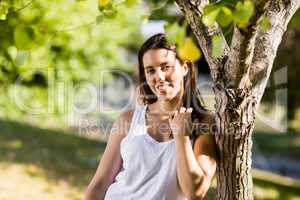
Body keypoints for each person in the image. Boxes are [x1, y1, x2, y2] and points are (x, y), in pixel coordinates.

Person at [84, 33, 217, 200]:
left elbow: (195, 192)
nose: (159, 77)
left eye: (166, 67)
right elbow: (99, 185)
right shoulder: (128, 120)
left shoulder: (204, 123)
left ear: (185, 67)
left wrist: (182, 137)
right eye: (150, 70)